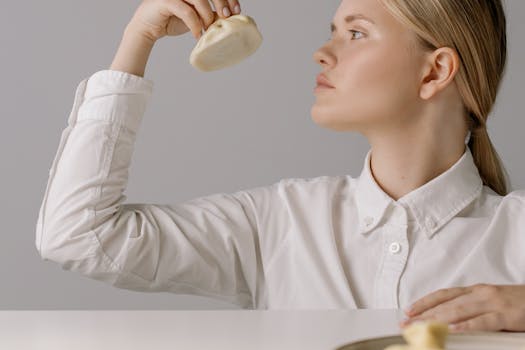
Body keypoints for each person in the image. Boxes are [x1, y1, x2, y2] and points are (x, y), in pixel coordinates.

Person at [35, 0, 525, 332]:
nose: (322, 52)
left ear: (435, 70)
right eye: (332, 31)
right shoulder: (277, 222)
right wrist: (137, 38)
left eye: (356, 32)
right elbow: (78, 235)